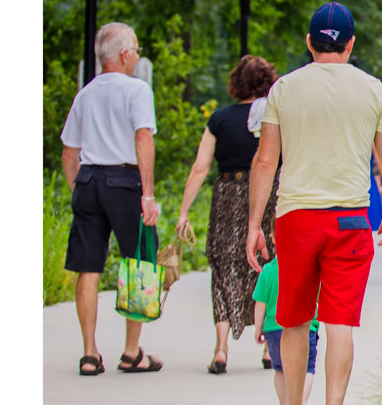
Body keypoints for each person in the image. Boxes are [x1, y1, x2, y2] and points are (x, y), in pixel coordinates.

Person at [246, 1, 382, 405]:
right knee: (340, 323)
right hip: (350, 219)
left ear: (309, 42)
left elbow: (265, 161)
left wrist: (254, 225)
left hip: (296, 218)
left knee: (294, 318)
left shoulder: (284, 89)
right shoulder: (373, 90)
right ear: (352, 44)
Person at [60, 22, 165, 376]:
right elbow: (143, 139)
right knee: (138, 262)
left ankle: (89, 354)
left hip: (89, 179)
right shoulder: (137, 90)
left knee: (88, 267)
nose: (136, 55)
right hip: (125, 181)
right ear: (124, 54)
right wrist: (147, 194)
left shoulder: (85, 94)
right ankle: (131, 351)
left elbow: (69, 152)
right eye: (135, 49)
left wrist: (79, 188)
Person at [174, 55, 279, 374]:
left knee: (222, 264)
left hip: (227, 194)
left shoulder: (219, 119)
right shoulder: (274, 117)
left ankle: (221, 349)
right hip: (266, 194)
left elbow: (200, 167)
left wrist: (183, 211)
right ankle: (268, 348)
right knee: (266, 263)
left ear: (236, 82)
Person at [251, 258, 319, 405]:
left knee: (280, 369)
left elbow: (260, 303)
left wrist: (258, 328)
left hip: (274, 328)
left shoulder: (267, 271)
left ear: (274, 238)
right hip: (305, 326)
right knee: (307, 369)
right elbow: (319, 298)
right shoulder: (309, 268)